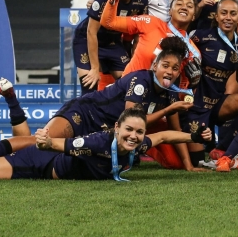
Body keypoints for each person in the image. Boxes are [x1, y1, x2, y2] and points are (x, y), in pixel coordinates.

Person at [0, 94, 210, 181]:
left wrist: (194, 136)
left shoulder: (136, 144)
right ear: (117, 128)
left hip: (50, 163)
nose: (134, 136)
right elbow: (62, 145)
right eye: (129, 130)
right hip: (42, 163)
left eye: (139, 132)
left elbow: (163, 136)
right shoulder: (99, 142)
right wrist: (47, 141)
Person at [41, 38, 194, 156]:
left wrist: (188, 165)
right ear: (155, 66)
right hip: (85, 112)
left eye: (175, 68)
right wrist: (167, 110)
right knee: (42, 143)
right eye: (165, 65)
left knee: (60, 155)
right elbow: (131, 119)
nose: (169, 72)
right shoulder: (140, 80)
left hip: (104, 133)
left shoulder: (172, 93)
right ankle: (15, 151)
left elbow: (175, 128)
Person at [186, 0, 238, 166]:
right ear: (216, 16)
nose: (228, 18)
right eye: (223, 13)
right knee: (197, 161)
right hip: (195, 104)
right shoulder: (201, 36)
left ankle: (222, 148)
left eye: (233, 13)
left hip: (218, 103)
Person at [101, 0, 199, 77]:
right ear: (170, 11)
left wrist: (193, 84)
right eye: (179, 4)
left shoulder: (194, 52)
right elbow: (108, 22)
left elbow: (182, 89)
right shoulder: (149, 22)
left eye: (190, 6)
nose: (184, 7)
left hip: (160, 93)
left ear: (194, 16)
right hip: (127, 90)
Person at [73, 0, 148, 92]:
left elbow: (137, 35)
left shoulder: (142, 0)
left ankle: (116, 111)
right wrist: (95, 68)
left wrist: (134, 61)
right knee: (89, 83)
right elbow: (91, 32)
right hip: (86, 39)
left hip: (112, 42)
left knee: (130, 80)